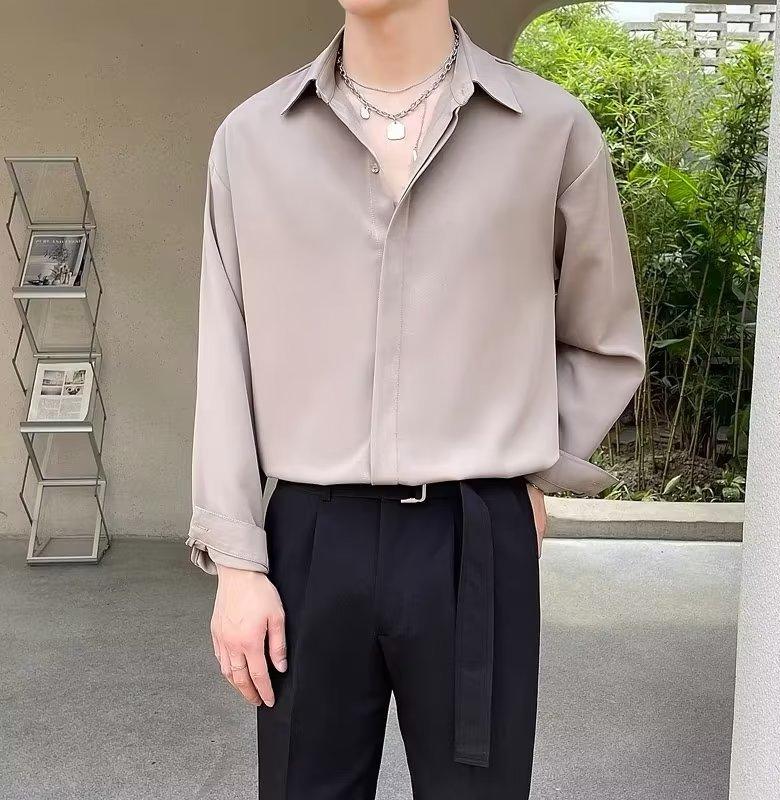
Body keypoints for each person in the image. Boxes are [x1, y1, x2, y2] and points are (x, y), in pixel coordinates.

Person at [186, 2, 646, 798]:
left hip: (476, 533)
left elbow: (603, 338)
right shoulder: (252, 139)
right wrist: (236, 562)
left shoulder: (550, 130)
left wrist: (537, 463)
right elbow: (224, 357)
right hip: (310, 538)